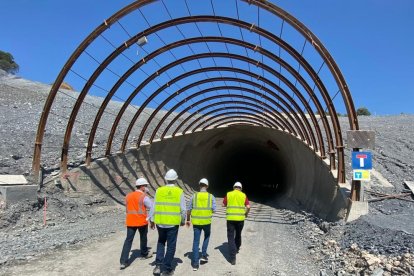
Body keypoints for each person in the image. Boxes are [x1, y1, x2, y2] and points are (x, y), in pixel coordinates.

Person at [149, 169, 186, 276]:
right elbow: (183, 210)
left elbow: (153, 207)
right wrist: (183, 221)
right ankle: (167, 269)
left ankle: (158, 266)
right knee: (171, 245)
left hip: (160, 222)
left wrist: (151, 220)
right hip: (172, 224)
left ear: (166, 179)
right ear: (175, 179)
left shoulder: (159, 190)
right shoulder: (179, 192)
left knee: (161, 242)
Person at [119, 177, 153, 270]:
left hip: (130, 221)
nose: (146, 187)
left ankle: (123, 262)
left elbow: (127, 209)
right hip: (141, 221)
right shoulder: (144, 196)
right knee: (143, 238)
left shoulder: (128, 195)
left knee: (128, 240)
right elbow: (152, 207)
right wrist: (150, 219)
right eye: (145, 186)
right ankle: (144, 254)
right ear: (142, 187)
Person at [186, 178, 216, 271]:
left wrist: (188, 220)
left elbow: (189, 209)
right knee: (206, 237)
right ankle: (203, 255)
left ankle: (195, 264)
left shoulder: (194, 196)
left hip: (196, 223)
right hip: (207, 222)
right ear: (207, 186)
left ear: (199, 185)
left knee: (196, 242)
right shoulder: (211, 197)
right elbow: (214, 209)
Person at [222, 182, 250, 265]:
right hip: (240, 219)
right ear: (241, 188)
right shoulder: (243, 195)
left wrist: (229, 204)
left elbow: (223, 204)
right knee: (238, 234)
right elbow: (248, 207)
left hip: (230, 219)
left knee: (230, 236)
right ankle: (237, 247)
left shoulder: (229, 194)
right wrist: (246, 214)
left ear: (234, 187)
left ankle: (233, 257)